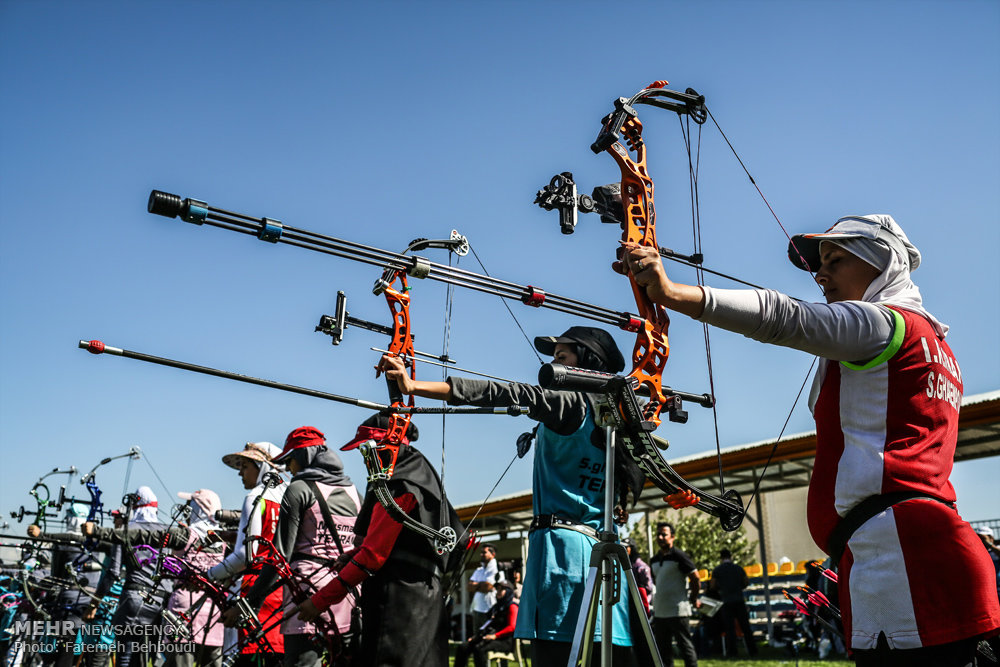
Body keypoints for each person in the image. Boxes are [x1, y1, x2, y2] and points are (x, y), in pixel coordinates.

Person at [620, 214, 1000, 665]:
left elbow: (787, 317)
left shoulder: (888, 325)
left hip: (902, 560)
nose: (821, 274)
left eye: (835, 260)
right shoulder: (935, 342)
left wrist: (673, 293)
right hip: (911, 550)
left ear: (883, 263)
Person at [378, 325, 643, 665]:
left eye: (562, 356)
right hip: (605, 556)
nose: (554, 364)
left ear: (588, 361)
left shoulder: (571, 404)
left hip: (562, 553)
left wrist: (414, 386)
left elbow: (508, 392)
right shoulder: (618, 418)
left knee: (556, 655)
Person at [297, 413, 463, 667]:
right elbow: (399, 542)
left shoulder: (399, 485)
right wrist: (354, 554)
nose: (365, 460)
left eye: (366, 450)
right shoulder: (417, 477)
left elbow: (374, 555)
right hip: (423, 596)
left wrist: (319, 601)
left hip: (401, 600)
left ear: (384, 448)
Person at [231, 427, 360, 667]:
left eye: (290, 461)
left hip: (305, 595)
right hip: (345, 595)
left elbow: (279, 556)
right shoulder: (355, 493)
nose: (288, 469)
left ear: (303, 457)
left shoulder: (298, 489)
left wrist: (250, 604)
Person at [208, 441, 287, 665]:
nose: (240, 473)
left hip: (256, 593)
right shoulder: (290, 496)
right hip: (285, 591)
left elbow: (246, 555)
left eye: (244, 466)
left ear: (261, 467)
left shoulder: (255, 497)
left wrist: (210, 575)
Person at [649, 522, 700, 667]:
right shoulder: (653, 560)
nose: (660, 537)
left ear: (672, 537)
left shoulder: (680, 556)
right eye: (658, 534)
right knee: (663, 651)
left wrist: (694, 597)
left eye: (664, 534)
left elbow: (696, 578)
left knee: (685, 648)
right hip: (660, 612)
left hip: (679, 611)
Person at [453, 580, 519, 667]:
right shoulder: (496, 607)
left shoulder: (512, 607)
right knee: (463, 647)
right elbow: (489, 624)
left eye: (501, 589)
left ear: (508, 592)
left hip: (504, 641)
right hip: (489, 637)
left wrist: (495, 636)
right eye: (497, 589)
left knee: (478, 648)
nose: (498, 592)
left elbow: (512, 628)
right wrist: (477, 636)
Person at [709, 549, 756, 658]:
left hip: (726, 601)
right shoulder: (738, 568)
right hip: (739, 600)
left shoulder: (717, 570)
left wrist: (721, 589)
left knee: (730, 628)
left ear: (721, 558)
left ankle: (732, 651)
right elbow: (746, 582)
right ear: (731, 557)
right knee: (745, 627)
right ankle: (752, 650)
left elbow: (712, 586)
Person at [468, 544, 502, 627]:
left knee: (488, 636)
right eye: (481, 552)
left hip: (490, 609)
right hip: (476, 609)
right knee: (476, 637)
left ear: (493, 554)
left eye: (484, 552)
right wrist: (481, 585)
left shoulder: (497, 569)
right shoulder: (479, 570)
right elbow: (469, 587)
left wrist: (476, 585)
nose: (481, 555)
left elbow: (487, 587)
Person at [623, 537, 654, 615]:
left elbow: (648, 588)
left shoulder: (641, 567)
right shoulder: (624, 565)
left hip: (640, 607)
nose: (623, 550)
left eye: (626, 547)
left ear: (632, 548)